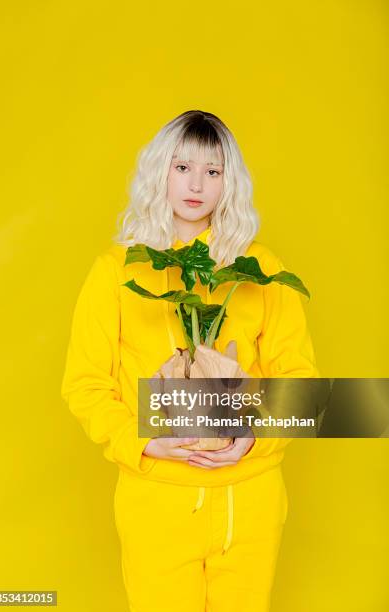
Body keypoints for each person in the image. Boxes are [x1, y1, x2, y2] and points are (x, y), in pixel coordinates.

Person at [61, 110, 319, 612]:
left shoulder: (260, 269)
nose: (196, 184)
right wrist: (143, 439)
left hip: (250, 502)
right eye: (182, 168)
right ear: (160, 172)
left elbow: (302, 380)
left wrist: (254, 434)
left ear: (230, 182)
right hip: (156, 502)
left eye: (213, 171)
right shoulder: (117, 269)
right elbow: (85, 384)